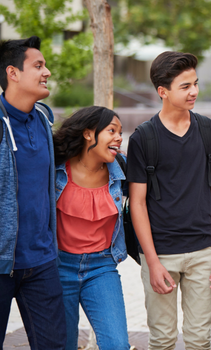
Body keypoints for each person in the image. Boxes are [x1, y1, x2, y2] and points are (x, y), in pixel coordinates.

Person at [126, 51, 211, 349]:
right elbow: (138, 203)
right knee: (162, 340)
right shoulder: (143, 139)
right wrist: (152, 262)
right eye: (185, 86)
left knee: (199, 340)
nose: (194, 91)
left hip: (203, 252)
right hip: (161, 253)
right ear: (163, 91)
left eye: (195, 83)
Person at [0, 36, 67, 349]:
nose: (47, 72)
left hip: (41, 261)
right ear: (13, 73)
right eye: (38, 66)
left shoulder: (42, 119)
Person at [53, 106, 130, 350]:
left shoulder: (121, 169)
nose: (119, 137)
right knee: (62, 344)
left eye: (120, 132)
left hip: (101, 267)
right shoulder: (56, 169)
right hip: (57, 267)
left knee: (117, 345)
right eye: (111, 130)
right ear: (88, 134)